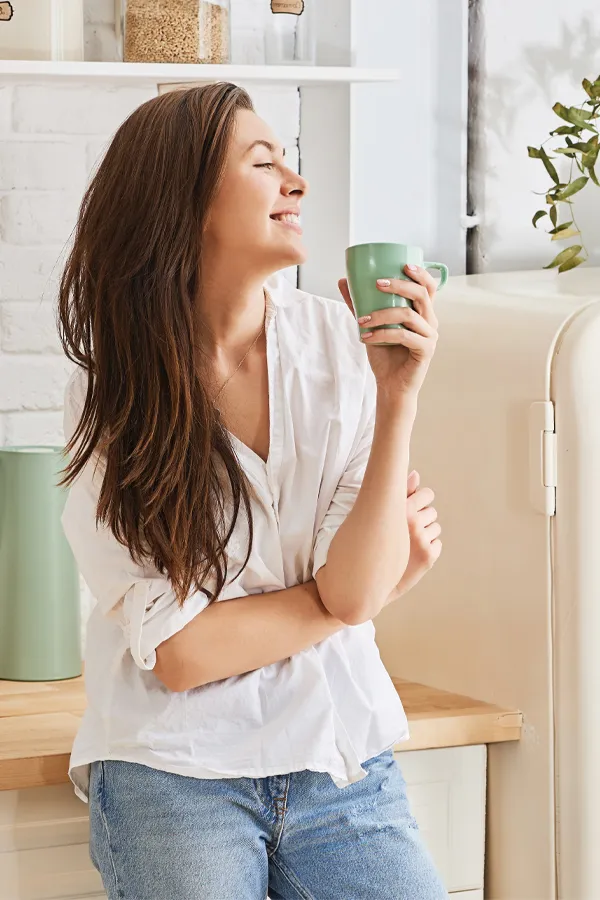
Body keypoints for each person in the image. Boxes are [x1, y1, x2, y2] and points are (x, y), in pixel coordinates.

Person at [58, 83, 446, 900]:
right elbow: (184, 655)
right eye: (264, 163)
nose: (296, 183)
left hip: (339, 759)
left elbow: (355, 585)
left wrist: (398, 395)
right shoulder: (112, 393)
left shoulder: (343, 347)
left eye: (290, 162)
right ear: (187, 201)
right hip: (174, 771)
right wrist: (344, 603)